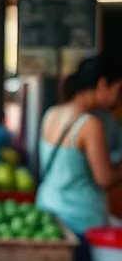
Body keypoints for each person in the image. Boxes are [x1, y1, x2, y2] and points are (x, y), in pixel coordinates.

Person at [37, 55, 122, 237]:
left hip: (49, 211)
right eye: (118, 89)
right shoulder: (90, 124)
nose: (118, 98)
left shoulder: (52, 113)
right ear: (102, 84)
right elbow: (104, 178)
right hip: (79, 223)